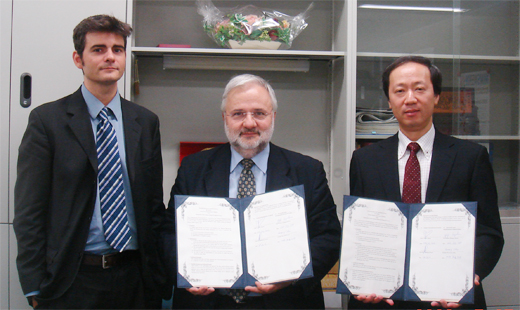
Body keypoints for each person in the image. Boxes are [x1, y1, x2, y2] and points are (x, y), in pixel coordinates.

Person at [13, 14, 171, 309]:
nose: (110, 57)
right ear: (78, 59)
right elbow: (29, 212)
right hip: (73, 280)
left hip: (136, 278)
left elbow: (152, 205)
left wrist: (161, 272)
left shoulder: (145, 122)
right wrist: (34, 286)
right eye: (98, 49)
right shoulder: (48, 122)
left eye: (118, 49)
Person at [164, 74, 342, 309]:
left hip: (285, 301)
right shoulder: (193, 168)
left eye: (259, 113)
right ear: (224, 118)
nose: (249, 123)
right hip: (209, 302)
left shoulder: (307, 171)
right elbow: (168, 233)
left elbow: (328, 237)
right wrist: (187, 275)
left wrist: (291, 276)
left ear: (273, 117)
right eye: (238, 113)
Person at [348, 55, 504, 309]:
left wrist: (468, 277)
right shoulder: (365, 159)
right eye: (399, 90)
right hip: (383, 298)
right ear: (389, 100)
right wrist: (362, 277)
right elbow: (363, 230)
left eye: (420, 89)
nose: (410, 98)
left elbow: (489, 232)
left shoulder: (471, 157)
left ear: (436, 95)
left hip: (450, 295)